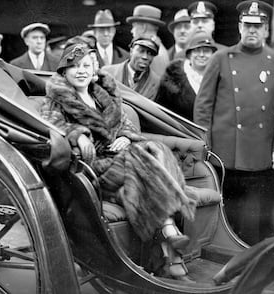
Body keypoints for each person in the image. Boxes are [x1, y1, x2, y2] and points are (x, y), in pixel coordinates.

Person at [40, 43, 197, 280]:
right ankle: (169, 229)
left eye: (85, 66)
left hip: (123, 164)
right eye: (73, 67)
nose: (80, 71)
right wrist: (78, 134)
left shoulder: (102, 94)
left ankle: (168, 248)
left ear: (93, 69)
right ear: (64, 72)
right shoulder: (57, 99)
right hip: (93, 167)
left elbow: (126, 125)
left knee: (155, 151)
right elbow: (50, 125)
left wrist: (125, 136)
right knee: (138, 156)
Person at [193, 0, 274, 245]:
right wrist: (205, 146)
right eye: (248, 25)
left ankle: (259, 272)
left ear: (266, 30)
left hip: (263, 157)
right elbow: (203, 107)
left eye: (259, 25)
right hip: (226, 155)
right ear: (239, 27)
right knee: (229, 222)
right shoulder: (221, 58)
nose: (252, 30)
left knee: (260, 223)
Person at [156, 33, 217, 121]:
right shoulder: (172, 79)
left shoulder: (220, 77)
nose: (201, 54)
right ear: (189, 54)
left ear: (213, 54)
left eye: (206, 51)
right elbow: (162, 111)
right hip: (181, 131)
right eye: (197, 50)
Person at [102, 35, 160, 100]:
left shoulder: (156, 82)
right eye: (141, 51)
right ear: (131, 51)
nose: (145, 57)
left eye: (150, 53)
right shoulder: (108, 72)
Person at [126, 4, 170, 77]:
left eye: (134, 27)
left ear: (143, 27)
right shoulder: (157, 49)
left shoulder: (155, 53)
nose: (132, 31)